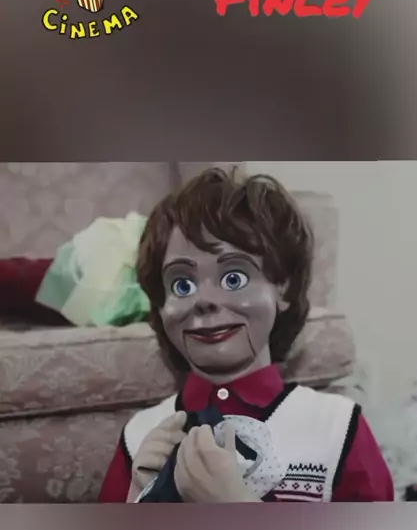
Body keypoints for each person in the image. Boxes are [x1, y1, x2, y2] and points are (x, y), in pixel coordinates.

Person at [99, 168, 394, 503]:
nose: (204, 300)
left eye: (233, 278)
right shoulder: (140, 437)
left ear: (283, 288)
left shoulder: (337, 428)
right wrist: (139, 496)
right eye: (182, 285)